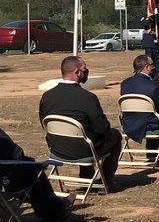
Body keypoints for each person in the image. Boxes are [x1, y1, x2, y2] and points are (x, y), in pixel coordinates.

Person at [38, 56, 122, 191]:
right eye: (85, 69)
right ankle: (106, 181)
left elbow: (44, 123)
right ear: (77, 72)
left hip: (57, 148)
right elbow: (102, 128)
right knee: (114, 135)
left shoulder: (47, 96)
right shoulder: (87, 98)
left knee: (86, 135)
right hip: (84, 149)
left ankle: (86, 177)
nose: (86, 72)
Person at [0, 126, 77, 222]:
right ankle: (55, 214)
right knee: (35, 173)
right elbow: (16, 153)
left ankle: (55, 207)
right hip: (5, 185)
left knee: (27, 170)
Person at [141, 0, 159, 83]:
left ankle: (156, 81)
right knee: (148, 63)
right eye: (151, 5)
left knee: (157, 63)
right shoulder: (144, 15)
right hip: (149, 41)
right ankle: (149, 80)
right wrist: (151, 16)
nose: (153, 6)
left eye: (154, 5)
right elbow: (145, 23)